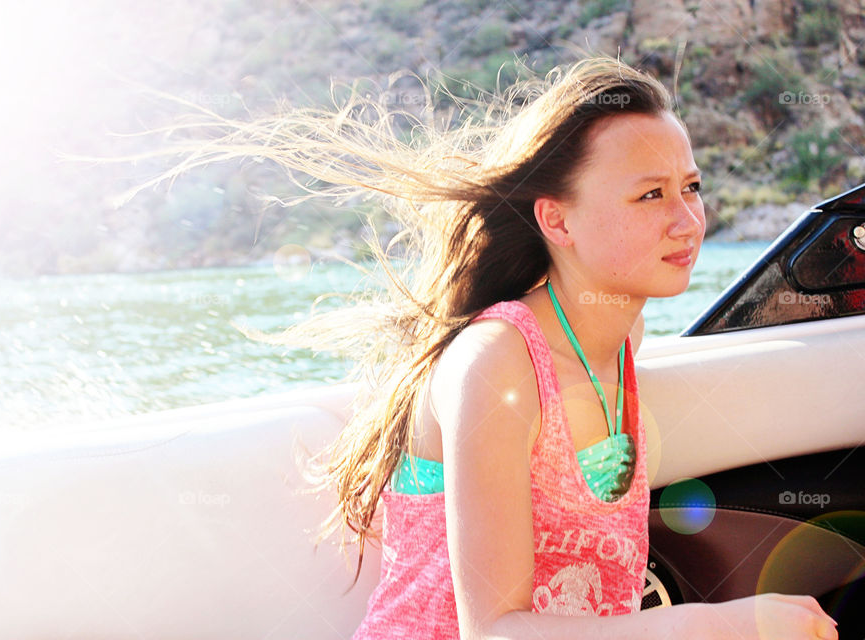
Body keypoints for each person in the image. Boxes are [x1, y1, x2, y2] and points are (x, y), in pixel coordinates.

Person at [138, 56, 839, 639]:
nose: (687, 220)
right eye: (649, 195)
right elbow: (497, 629)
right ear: (556, 219)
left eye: (691, 187)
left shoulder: (619, 332)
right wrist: (714, 625)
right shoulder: (496, 362)